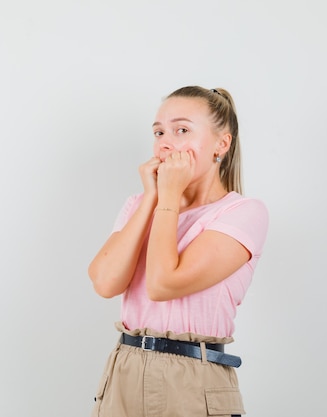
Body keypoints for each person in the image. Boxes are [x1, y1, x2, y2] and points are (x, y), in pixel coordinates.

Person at [88, 86, 269, 417]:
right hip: (124, 368)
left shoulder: (243, 212)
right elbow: (105, 282)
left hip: (192, 378)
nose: (165, 143)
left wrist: (168, 195)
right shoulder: (139, 204)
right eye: (159, 132)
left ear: (221, 144)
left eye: (181, 130)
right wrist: (152, 199)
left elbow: (162, 284)